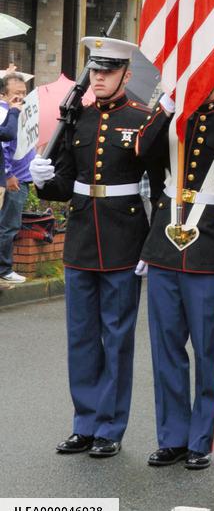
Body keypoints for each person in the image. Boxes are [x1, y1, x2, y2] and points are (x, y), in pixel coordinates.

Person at [29, 38, 156, 458]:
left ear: (126, 75)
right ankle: (84, 423)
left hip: (124, 239)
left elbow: (158, 188)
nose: (99, 77)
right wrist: (44, 177)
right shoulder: (76, 119)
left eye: (108, 70)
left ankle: (110, 427)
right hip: (82, 238)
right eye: (95, 70)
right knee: (82, 337)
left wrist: (150, 247)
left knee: (117, 338)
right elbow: (64, 187)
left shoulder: (142, 119)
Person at [135, 83, 214, 470]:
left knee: (207, 350)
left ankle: (200, 440)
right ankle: (172, 437)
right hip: (164, 245)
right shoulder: (171, 118)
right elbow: (140, 152)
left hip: (210, 249)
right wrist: (164, 106)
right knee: (166, 348)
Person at [0, 74, 27, 283]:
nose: (21, 97)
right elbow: (5, 142)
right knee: (8, 225)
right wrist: (9, 174)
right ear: (3, 95)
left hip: (21, 177)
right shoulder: (6, 113)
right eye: (16, 93)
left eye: (24, 93)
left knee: (11, 224)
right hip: (11, 180)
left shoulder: (16, 111)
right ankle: (4, 269)